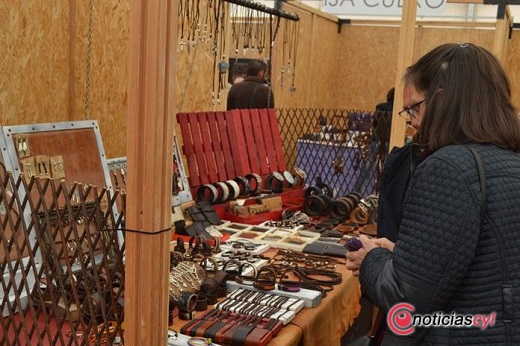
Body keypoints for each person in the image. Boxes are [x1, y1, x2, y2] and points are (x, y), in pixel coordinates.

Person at [346, 43, 520, 345]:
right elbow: (474, 264)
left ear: (442, 100)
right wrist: (403, 256)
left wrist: (370, 258)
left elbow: (405, 300)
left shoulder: (447, 168)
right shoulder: (510, 161)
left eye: (415, 108)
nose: (411, 122)